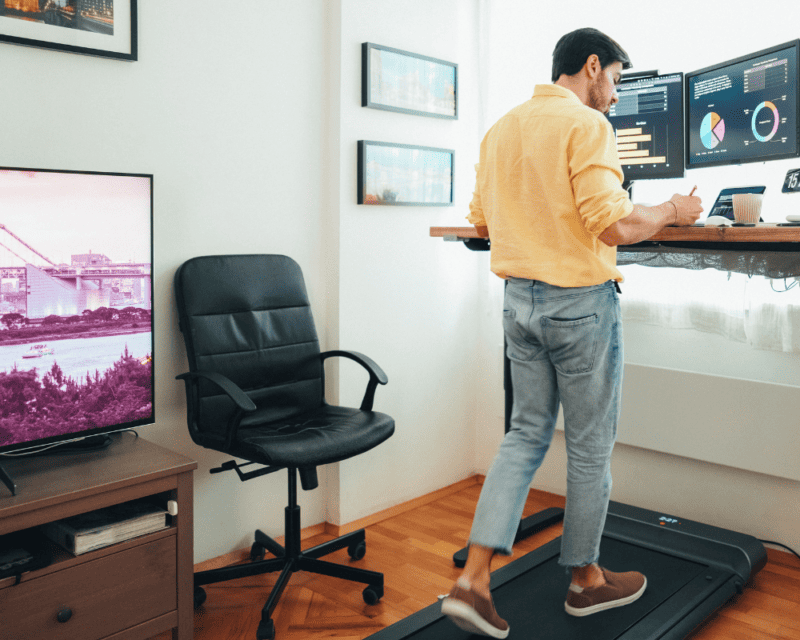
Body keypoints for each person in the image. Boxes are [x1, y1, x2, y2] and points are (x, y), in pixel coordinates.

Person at [440, 27, 704, 638]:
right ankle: (585, 582)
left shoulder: (501, 128)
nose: (614, 96)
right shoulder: (587, 127)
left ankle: (473, 579)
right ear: (592, 67)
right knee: (588, 446)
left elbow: (480, 222)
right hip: (578, 306)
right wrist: (670, 211)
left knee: (525, 433)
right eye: (614, 79)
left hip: (518, 303)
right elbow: (611, 226)